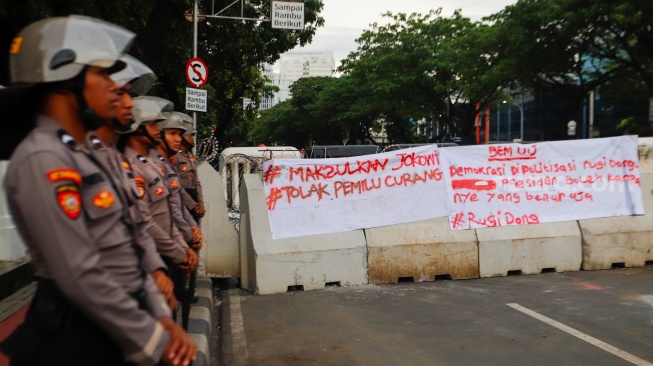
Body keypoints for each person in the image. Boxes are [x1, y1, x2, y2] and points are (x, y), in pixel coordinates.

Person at [0, 15, 196, 366]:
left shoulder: (88, 154)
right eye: (102, 74)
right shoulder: (44, 158)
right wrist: (153, 338)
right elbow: (80, 271)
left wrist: (159, 315)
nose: (112, 86)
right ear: (65, 79)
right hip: (77, 336)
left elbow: (130, 238)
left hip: (119, 321)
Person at [116, 96, 198, 314]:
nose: (156, 128)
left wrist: (182, 242)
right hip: (151, 255)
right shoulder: (131, 165)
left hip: (166, 249)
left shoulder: (149, 163)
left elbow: (172, 208)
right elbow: (144, 220)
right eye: (152, 123)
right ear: (136, 127)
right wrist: (178, 249)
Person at [110, 55, 176, 310]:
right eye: (121, 93)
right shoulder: (50, 156)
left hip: (153, 261)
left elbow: (142, 219)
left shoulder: (124, 160)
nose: (128, 102)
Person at [172, 113, 205, 223]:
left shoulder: (191, 156)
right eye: (189, 135)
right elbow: (176, 186)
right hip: (182, 200)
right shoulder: (175, 156)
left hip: (194, 197)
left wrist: (200, 202)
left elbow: (196, 181)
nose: (192, 138)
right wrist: (193, 205)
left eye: (193, 135)